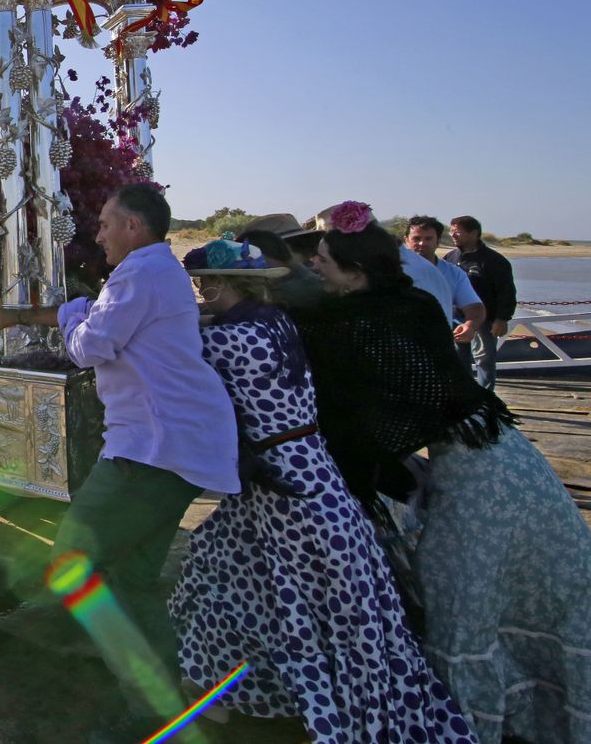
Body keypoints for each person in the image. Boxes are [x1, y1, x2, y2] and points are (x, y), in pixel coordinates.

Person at [299, 202, 591, 743]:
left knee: (460, 598)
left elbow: (361, 415)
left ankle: (470, 722)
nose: (313, 266)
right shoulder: (410, 303)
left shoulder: (357, 321)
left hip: (479, 474)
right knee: (522, 583)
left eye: (321, 259)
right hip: (510, 454)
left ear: (355, 270)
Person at [171, 239, 475, 741]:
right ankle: (220, 688)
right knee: (226, 567)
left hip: (285, 481)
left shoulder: (229, 339)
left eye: (204, 283)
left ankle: (304, 704)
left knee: (298, 599)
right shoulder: (274, 322)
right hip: (306, 472)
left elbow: (169, 351)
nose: (201, 292)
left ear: (222, 285)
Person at [0, 183, 239, 687]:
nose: (98, 233)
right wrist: (71, 313)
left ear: (134, 226)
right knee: (134, 579)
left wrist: (78, 318)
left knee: (73, 564)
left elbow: (89, 347)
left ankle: (141, 695)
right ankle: (160, 693)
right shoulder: (155, 271)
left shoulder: (140, 272)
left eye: (105, 223)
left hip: (151, 449)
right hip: (177, 446)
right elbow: (94, 323)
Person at [445, 215, 516, 391]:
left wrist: (502, 318)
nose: (453, 235)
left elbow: (506, 292)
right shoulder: (450, 258)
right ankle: (464, 395)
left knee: (484, 359)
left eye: (457, 232)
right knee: (458, 360)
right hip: (456, 318)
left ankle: (486, 397)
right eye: (451, 231)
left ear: (474, 233)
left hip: (485, 320)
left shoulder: (494, 261)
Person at [405, 216, 485, 344]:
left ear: (438, 241)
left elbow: (474, 306)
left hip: (438, 345)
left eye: (428, 238)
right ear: (406, 241)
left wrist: (470, 325)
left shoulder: (454, 273)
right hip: (398, 346)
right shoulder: (390, 272)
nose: (422, 243)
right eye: (416, 238)